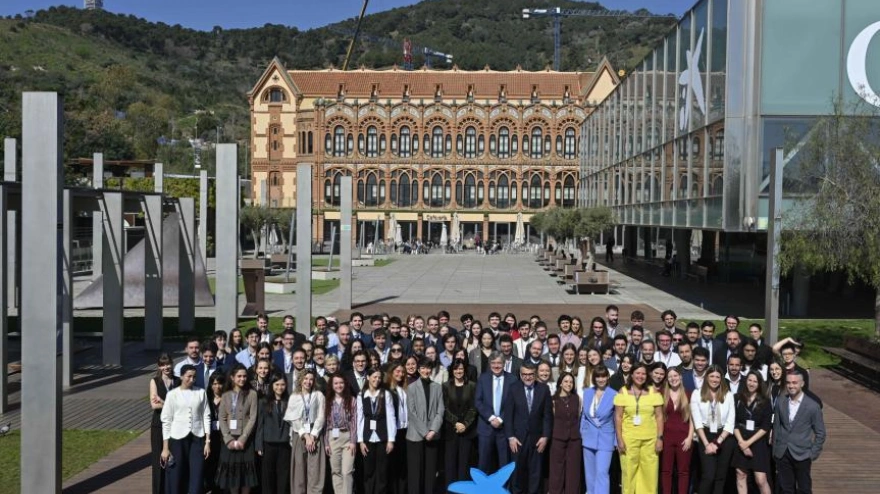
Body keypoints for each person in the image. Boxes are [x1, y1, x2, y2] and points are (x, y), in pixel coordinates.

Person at [614, 363, 665, 494]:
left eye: (643, 373)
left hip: (650, 440)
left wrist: (660, 438)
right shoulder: (623, 392)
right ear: (631, 374)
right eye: (637, 373)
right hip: (629, 439)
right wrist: (619, 439)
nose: (640, 376)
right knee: (629, 473)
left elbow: (659, 416)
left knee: (649, 474)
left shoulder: (653, 392)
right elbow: (618, 417)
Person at [772, 370, 825, 494]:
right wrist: (775, 450)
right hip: (783, 453)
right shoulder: (781, 401)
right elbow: (777, 427)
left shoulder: (812, 406)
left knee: (804, 489)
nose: (791, 386)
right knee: (786, 489)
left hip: (803, 454)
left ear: (802, 383)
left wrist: (812, 453)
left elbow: (820, 433)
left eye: (795, 382)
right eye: (788, 382)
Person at [160, 364, 211, 494]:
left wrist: (207, 441)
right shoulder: (172, 395)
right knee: (176, 474)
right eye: (189, 376)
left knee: (197, 474)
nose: (192, 379)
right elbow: (166, 421)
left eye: (194, 377)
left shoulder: (201, 392)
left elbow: (206, 416)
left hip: (197, 438)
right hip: (177, 438)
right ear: (182, 376)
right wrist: (165, 448)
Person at [504, 362, 553, 494]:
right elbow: (508, 415)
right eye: (524, 374)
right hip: (517, 440)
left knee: (535, 475)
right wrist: (511, 437)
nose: (527, 377)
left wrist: (545, 437)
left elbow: (547, 416)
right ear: (520, 375)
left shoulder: (544, 389)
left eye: (530, 374)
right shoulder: (513, 388)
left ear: (535, 374)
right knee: (517, 474)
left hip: (537, 440)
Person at [691, 365, 736, 494]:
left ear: (721, 379)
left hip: (724, 437)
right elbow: (697, 422)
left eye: (717, 377)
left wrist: (717, 442)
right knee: (708, 475)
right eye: (712, 376)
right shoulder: (697, 394)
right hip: (705, 435)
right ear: (706, 377)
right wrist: (707, 444)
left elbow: (730, 422)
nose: (714, 379)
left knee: (720, 477)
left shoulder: (728, 395)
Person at [216, 363, 260, 493]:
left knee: (246, 476)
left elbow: (253, 418)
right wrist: (228, 439)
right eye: (239, 376)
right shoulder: (226, 395)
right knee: (233, 476)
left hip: (245, 439)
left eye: (244, 376)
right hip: (229, 439)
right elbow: (222, 418)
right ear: (232, 377)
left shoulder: (252, 394)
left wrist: (243, 438)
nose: (242, 379)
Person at [406, 357, 444, 494]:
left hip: (433, 435)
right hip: (415, 435)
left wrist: (433, 430)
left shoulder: (437, 387)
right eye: (422, 368)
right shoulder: (411, 388)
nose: (426, 371)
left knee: (430, 472)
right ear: (418, 369)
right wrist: (425, 432)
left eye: (428, 368)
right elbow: (412, 412)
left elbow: (440, 410)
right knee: (415, 472)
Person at [356, 367, 397, 494]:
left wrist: (391, 440)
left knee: (382, 471)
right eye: (374, 377)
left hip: (382, 438)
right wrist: (361, 441)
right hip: (367, 438)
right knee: (368, 471)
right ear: (368, 377)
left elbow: (391, 417)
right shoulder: (361, 395)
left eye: (379, 377)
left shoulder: (386, 394)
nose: (377, 379)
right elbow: (360, 418)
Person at [732, 372, 772, 494]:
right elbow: (734, 422)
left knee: (760, 479)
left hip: (757, 441)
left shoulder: (765, 401)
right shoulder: (737, 398)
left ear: (759, 384)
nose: (752, 383)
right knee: (741, 474)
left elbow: (765, 426)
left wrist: (747, 443)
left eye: (755, 381)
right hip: (740, 438)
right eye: (750, 380)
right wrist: (742, 443)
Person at [475, 352, 515, 472]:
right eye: (493, 363)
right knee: (483, 463)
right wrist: (491, 418)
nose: (496, 366)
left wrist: (501, 419)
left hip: (504, 429)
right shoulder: (483, 378)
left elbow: (513, 403)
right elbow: (478, 401)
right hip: (486, 427)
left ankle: (505, 485)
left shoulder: (512, 379)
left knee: (505, 465)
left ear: (504, 363)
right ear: (489, 364)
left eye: (499, 363)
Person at [581, 365, 617, 494]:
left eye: (603, 376)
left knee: (602, 472)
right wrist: (582, 432)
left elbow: (617, 418)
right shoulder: (587, 392)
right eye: (598, 377)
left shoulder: (614, 394)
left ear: (607, 377)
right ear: (594, 378)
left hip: (606, 439)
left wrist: (616, 441)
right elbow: (584, 415)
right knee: (589, 474)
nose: (601, 379)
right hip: (588, 438)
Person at [443, 359, 478, 487]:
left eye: (461, 368)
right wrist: (456, 422)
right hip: (450, 431)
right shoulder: (445, 386)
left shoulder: (472, 386)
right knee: (450, 464)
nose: (458, 371)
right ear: (452, 370)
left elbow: (474, 408)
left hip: (467, 431)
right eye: (456, 369)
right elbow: (444, 408)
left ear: (465, 370)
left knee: (464, 464)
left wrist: (465, 424)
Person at [660, 366, 694, 494]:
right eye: (670, 376)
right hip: (666, 437)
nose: (673, 378)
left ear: (680, 376)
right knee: (666, 471)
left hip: (684, 438)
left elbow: (693, 419)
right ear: (667, 379)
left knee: (683, 471)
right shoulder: (661, 394)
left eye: (675, 375)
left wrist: (690, 438)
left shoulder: (689, 394)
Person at [255, 373, 291, 494]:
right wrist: (259, 445)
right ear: (272, 385)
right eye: (277, 384)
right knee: (268, 476)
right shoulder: (264, 402)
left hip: (285, 444)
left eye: (282, 384)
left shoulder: (289, 401)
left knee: (283, 475)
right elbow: (260, 424)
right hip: (268, 443)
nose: (280, 387)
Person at [150, 354, 180, 494]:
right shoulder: (154, 381)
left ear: (172, 364)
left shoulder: (178, 381)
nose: (166, 367)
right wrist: (171, 406)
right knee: (158, 460)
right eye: (162, 365)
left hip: (176, 425)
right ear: (159, 367)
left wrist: (162, 402)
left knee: (174, 458)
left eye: (168, 364)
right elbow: (154, 405)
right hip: (159, 424)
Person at [324, 374, 357, 494]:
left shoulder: (352, 400)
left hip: (347, 437)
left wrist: (353, 441)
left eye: (341, 383)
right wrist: (326, 443)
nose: (339, 385)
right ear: (332, 385)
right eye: (336, 383)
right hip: (333, 438)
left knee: (347, 471)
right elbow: (325, 423)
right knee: (336, 471)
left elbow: (354, 421)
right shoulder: (327, 401)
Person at [385, 363, 409, 494]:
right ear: (391, 372)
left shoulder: (405, 389)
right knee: (393, 466)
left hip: (406, 431)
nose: (401, 374)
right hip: (393, 432)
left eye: (402, 372)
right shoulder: (387, 390)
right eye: (397, 371)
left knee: (403, 466)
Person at [204, 372, 226, 494]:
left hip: (223, 437)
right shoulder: (206, 399)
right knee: (209, 463)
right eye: (214, 383)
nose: (217, 386)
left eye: (220, 383)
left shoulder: (228, 398)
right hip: (209, 436)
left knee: (221, 464)